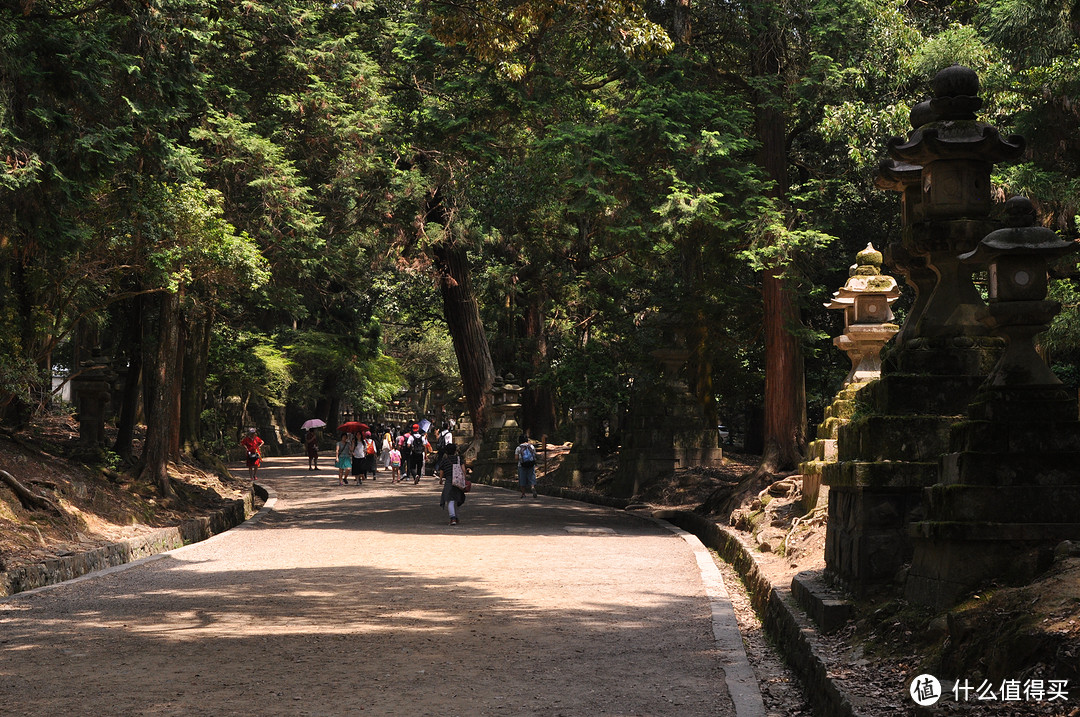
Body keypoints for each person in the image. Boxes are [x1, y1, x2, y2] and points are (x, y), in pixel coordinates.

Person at [438, 442, 467, 526]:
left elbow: (441, 471)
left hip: (449, 481)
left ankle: (452, 518)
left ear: (446, 452)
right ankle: (457, 517)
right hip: (458, 481)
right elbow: (463, 469)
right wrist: (463, 479)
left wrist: (440, 479)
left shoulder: (445, 460)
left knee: (450, 500)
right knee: (457, 499)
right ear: (455, 451)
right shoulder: (459, 459)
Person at [515, 434, 537, 498]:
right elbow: (534, 455)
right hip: (531, 464)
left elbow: (516, 458)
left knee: (522, 479)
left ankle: (523, 493)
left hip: (522, 465)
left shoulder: (518, 448)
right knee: (531, 476)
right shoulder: (532, 446)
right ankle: (532, 487)